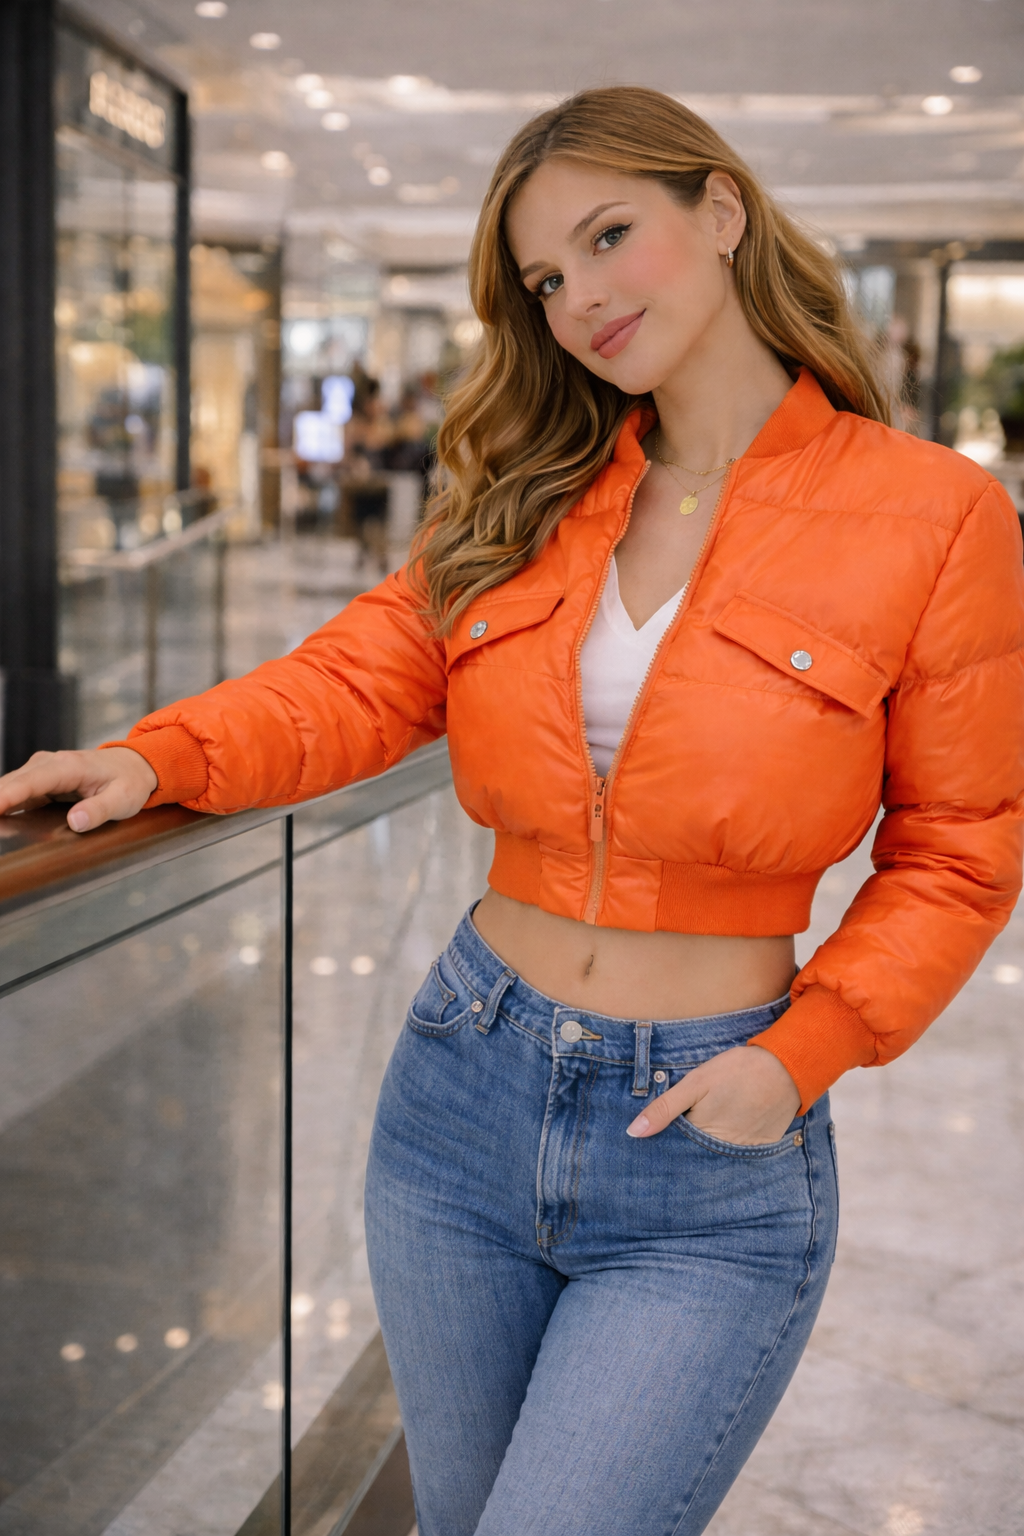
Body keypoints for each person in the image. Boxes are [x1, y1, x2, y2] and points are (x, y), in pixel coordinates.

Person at [2, 87, 1022, 1536]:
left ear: (719, 212)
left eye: (611, 238)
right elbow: (356, 679)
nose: (582, 299)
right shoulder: (535, 492)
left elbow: (962, 844)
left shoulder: (932, 516)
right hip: (462, 1100)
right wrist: (160, 758)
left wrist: (801, 1058)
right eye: (547, 279)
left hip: (707, 1140)